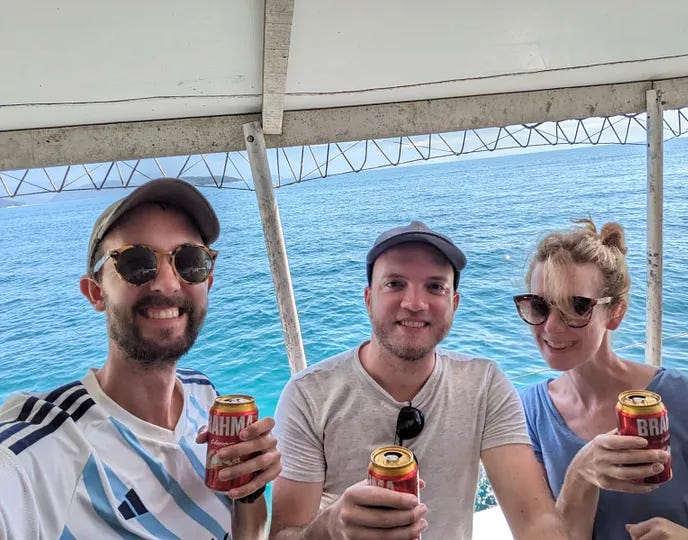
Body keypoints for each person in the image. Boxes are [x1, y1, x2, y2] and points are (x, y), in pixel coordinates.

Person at [0, 178, 281, 539]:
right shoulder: (46, 446)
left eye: (190, 261)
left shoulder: (203, 394)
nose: (167, 284)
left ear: (207, 284)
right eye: (136, 262)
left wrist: (249, 492)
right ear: (95, 292)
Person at [269, 220, 569, 540]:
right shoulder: (309, 394)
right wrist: (328, 528)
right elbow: (283, 534)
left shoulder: (484, 384)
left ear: (453, 303)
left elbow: (535, 519)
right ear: (368, 298)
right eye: (395, 284)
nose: (414, 303)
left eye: (435, 286)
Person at [516, 218, 688, 540]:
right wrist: (581, 474)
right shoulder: (527, 413)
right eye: (539, 306)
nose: (552, 327)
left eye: (576, 307)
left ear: (615, 314)